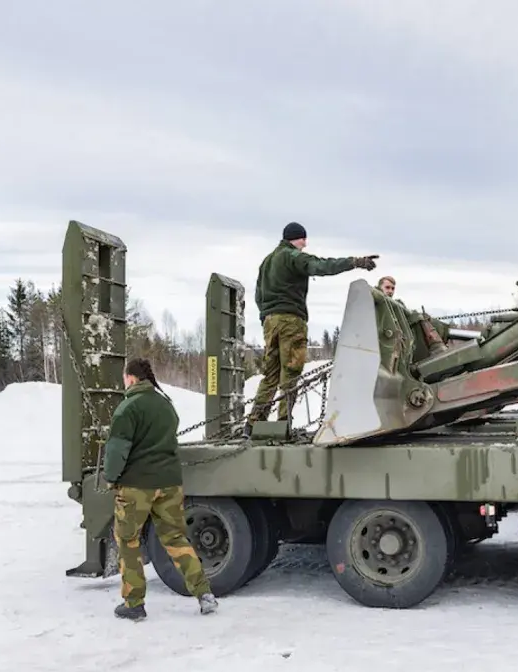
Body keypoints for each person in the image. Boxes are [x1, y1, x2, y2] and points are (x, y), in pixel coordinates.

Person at [101, 357, 218, 620]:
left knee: (128, 541)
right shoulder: (166, 405)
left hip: (136, 487)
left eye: (124, 378)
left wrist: (111, 477)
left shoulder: (127, 408)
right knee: (176, 539)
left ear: (131, 378)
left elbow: (117, 450)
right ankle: (204, 594)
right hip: (169, 484)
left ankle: (134, 603)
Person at [246, 221, 378, 433]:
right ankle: (283, 424)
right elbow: (321, 266)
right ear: (294, 238)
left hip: (270, 321)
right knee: (291, 371)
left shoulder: (267, 262)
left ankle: (253, 424)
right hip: (291, 320)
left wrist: (267, 315)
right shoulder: (293, 256)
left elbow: (258, 295)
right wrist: (355, 262)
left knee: (270, 374)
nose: (305, 244)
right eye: (302, 239)